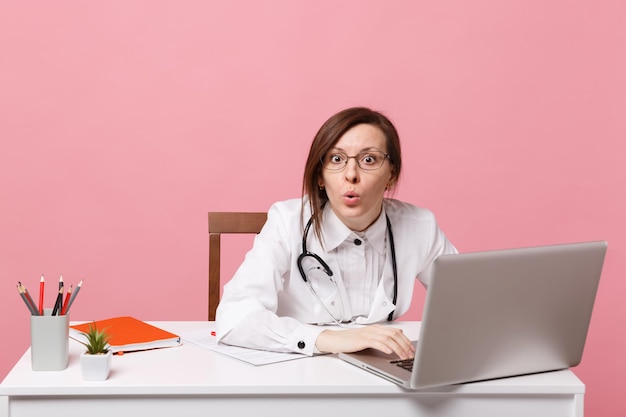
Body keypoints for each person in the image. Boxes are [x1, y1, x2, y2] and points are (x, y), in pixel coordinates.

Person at [216, 106, 457, 360]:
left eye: (369, 160)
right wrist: (327, 339)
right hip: (299, 370)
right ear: (320, 175)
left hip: (384, 375)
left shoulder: (420, 226)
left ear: (392, 175)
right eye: (336, 159)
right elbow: (235, 316)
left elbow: (468, 303)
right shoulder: (286, 222)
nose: (351, 175)